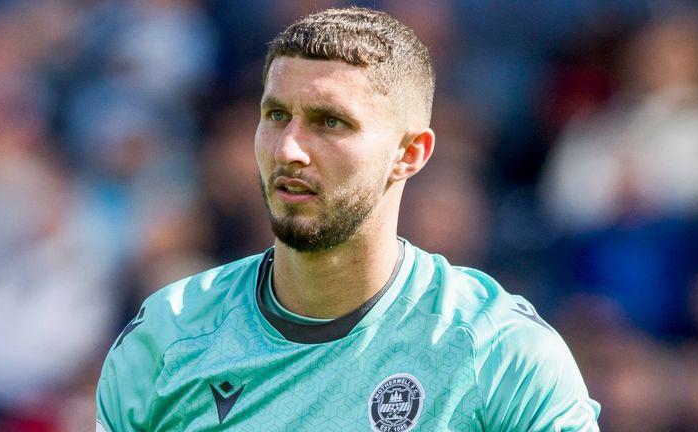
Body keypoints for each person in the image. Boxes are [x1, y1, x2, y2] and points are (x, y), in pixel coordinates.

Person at [96, 7, 600, 431]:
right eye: (275, 116)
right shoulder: (168, 335)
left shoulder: (498, 353)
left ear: (410, 154)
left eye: (329, 122)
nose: (288, 148)